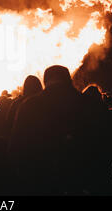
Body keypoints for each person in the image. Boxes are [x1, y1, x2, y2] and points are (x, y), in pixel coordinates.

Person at [10, 65, 88, 195]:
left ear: (45, 81)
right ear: (69, 80)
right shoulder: (89, 104)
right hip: (79, 180)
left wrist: (25, 177)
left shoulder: (30, 106)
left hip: (40, 180)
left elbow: (16, 146)